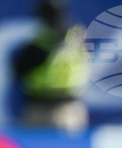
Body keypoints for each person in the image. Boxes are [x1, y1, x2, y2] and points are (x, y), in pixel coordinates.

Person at [11, 0, 89, 131]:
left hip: (64, 109)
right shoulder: (40, 44)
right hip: (41, 106)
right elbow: (21, 69)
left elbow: (20, 70)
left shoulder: (68, 39)